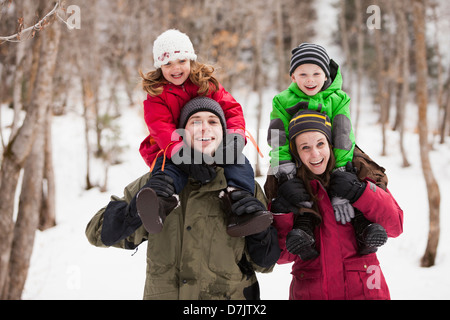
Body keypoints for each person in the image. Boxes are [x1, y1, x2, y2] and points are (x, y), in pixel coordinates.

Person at [86, 97, 280, 300]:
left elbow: (266, 264)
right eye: (195, 121)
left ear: (224, 134)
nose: (204, 128)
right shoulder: (158, 182)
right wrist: (136, 210)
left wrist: (260, 233)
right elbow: (95, 233)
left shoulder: (244, 186)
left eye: (213, 122)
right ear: (181, 135)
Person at [138, 29, 271, 237]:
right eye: (168, 64)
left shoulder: (205, 83)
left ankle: (240, 204)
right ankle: (160, 202)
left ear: (191, 59)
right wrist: (185, 156)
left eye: (181, 60)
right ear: (159, 67)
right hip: (173, 147)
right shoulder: (157, 94)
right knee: (169, 169)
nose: (175, 68)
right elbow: (161, 128)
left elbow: (231, 109)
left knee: (238, 163)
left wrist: (235, 136)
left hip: (210, 141)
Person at [267, 43, 387, 259]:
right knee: (299, 191)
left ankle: (364, 228)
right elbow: (277, 135)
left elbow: (343, 132)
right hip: (299, 157)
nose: (310, 80)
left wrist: (342, 168)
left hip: (336, 156)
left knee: (350, 184)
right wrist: (283, 164)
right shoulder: (282, 101)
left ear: (326, 75)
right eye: (303, 74)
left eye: (316, 73)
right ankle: (303, 233)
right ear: (293, 77)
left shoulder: (338, 98)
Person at [267, 109, 403, 300]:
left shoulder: (357, 171)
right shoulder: (285, 183)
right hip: (311, 290)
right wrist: (282, 208)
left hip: (366, 289)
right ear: (295, 152)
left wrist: (360, 192)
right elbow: (280, 257)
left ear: (330, 144)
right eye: (305, 147)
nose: (315, 154)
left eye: (320, 144)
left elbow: (395, 226)